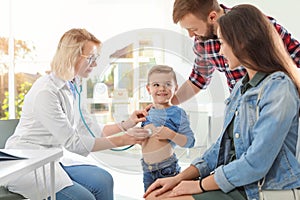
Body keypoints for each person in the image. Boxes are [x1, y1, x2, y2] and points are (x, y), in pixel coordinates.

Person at [143, 4, 300, 200]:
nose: (220, 51)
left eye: (223, 43)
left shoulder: (278, 88)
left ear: (241, 43)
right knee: (156, 195)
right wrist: (179, 179)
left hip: (260, 187)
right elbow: (220, 147)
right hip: (239, 176)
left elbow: (255, 163)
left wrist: (198, 185)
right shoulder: (239, 89)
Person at [4, 28, 151, 200]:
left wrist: (127, 124)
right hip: (28, 164)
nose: (95, 64)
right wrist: (125, 139)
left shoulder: (74, 85)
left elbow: (91, 129)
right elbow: (74, 143)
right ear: (72, 56)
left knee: (104, 180)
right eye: (91, 58)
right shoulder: (46, 92)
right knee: (84, 198)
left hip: (52, 159)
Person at [170, 0, 300, 106]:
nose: (191, 35)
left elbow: (296, 55)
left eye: (193, 29)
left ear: (212, 17)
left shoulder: (252, 24)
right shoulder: (202, 42)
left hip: (271, 103)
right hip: (241, 108)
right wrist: (167, 104)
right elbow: (198, 79)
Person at [140, 65, 195, 191]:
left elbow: (190, 142)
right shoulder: (146, 112)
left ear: (176, 88)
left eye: (168, 84)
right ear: (148, 89)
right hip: (147, 170)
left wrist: (171, 134)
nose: (162, 88)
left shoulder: (177, 113)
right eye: (156, 85)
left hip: (167, 170)